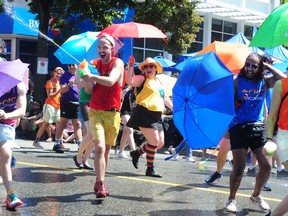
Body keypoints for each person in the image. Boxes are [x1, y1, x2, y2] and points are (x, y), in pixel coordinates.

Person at [225, 53, 286, 213]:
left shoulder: (264, 82)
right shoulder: (237, 81)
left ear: (260, 68)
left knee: (266, 167)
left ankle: (256, 195)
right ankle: (232, 198)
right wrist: (237, 102)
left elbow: (282, 79)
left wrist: (268, 67)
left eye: (254, 65)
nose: (250, 68)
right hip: (238, 127)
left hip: (257, 127)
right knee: (239, 167)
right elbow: (227, 104)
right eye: (247, 64)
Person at [83, 34, 124, 198]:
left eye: (104, 47)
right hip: (95, 111)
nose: (101, 50)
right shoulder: (93, 64)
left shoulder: (118, 63)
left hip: (113, 113)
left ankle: (100, 180)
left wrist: (93, 77)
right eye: (99, 47)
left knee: (106, 151)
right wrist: (87, 81)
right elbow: (86, 91)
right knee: (99, 147)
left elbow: (111, 81)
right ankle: (100, 183)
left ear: (112, 49)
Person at [126, 57, 173, 178]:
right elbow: (130, 81)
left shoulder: (158, 82)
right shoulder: (142, 79)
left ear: (156, 68)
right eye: (146, 66)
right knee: (154, 141)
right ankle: (150, 168)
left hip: (157, 114)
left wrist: (175, 109)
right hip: (144, 112)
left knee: (160, 143)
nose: (148, 68)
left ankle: (136, 153)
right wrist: (131, 66)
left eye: (151, 66)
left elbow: (165, 98)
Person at [0, 80, 26, 209]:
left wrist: (6, 114)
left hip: (7, 125)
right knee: (6, 153)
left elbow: (22, 111)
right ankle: (11, 195)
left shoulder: (19, 86)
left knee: (6, 156)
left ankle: (9, 197)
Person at [53, 64, 82, 153]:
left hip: (77, 103)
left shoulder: (80, 75)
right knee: (63, 123)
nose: (71, 67)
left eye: (73, 65)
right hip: (66, 102)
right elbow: (62, 90)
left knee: (77, 124)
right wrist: (70, 84)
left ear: (77, 66)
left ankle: (80, 146)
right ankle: (57, 143)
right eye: (69, 65)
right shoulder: (64, 76)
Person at [32, 67, 63, 148]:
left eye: (60, 73)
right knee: (46, 124)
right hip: (50, 105)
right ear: (54, 73)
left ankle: (60, 143)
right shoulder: (50, 82)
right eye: (57, 73)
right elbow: (49, 96)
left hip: (58, 106)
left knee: (60, 124)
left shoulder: (60, 83)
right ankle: (36, 141)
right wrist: (59, 91)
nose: (59, 75)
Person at [73, 66, 94, 170]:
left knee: (96, 136)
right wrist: (88, 77)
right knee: (91, 133)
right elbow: (79, 85)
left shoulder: (100, 66)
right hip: (85, 102)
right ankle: (78, 156)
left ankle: (85, 159)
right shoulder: (81, 67)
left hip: (98, 103)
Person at [117, 63, 137, 159]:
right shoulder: (121, 82)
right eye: (126, 69)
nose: (128, 71)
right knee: (129, 129)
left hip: (133, 110)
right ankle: (134, 152)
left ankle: (121, 151)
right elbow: (119, 97)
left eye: (130, 69)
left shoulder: (134, 83)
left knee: (126, 131)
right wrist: (123, 92)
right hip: (123, 109)